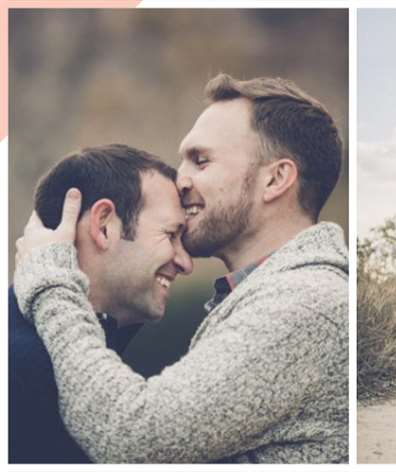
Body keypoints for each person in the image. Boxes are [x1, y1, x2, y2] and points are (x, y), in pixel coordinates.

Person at [13, 74, 348, 463]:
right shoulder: (276, 296)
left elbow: (135, 438)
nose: (181, 178)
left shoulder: (305, 306)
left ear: (275, 179)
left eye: (200, 160)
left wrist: (53, 284)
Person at [9, 144, 192, 463]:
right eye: (171, 234)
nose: (185, 262)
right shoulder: (21, 368)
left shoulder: (63, 353)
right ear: (104, 225)